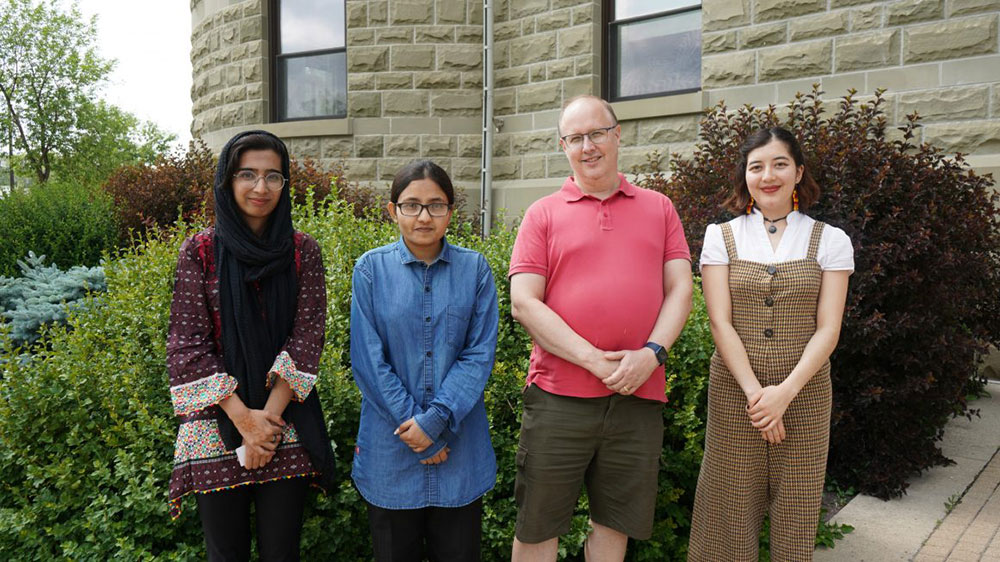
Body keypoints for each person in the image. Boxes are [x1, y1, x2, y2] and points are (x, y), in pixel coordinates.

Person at [508, 95, 693, 561]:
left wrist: (651, 354)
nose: (588, 146)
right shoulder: (543, 214)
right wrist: (593, 360)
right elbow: (524, 303)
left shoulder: (659, 208)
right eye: (575, 138)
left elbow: (681, 290)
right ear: (563, 147)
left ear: (617, 135)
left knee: (615, 525)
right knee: (536, 527)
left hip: (637, 395)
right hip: (558, 397)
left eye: (597, 134)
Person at [166, 130, 335, 561]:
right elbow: (188, 344)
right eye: (248, 174)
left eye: (273, 177)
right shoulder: (200, 252)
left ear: (285, 184)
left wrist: (267, 424)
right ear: (227, 180)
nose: (261, 188)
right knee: (225, 554)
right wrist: (244, 421)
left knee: (282, 552)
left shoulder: (302, 252)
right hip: (215, 421)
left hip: (284, 423)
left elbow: (307, 335)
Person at [688, 127, 854, 561]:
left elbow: (828, 329)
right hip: (734, 395)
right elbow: (720, 323)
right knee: (726, 516)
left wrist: (784, 394)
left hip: (805, 396)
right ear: (745, 176)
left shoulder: (831, 240)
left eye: (780, 164)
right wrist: (757, 396)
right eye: (756, 166)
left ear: (798, 172)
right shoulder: (720, 237)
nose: (768, 175)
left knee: (796, 516)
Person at [349, 160, 499, 562]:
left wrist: (433, 423)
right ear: (393, 209)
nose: (423, 216)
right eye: (411, 205)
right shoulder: (370, 271)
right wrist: (416, 431)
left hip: (460, 456)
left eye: (436, 205)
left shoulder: (475, 270)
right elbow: (368, 360)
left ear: (451, 211)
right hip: (390, 456)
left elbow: (478, 354)